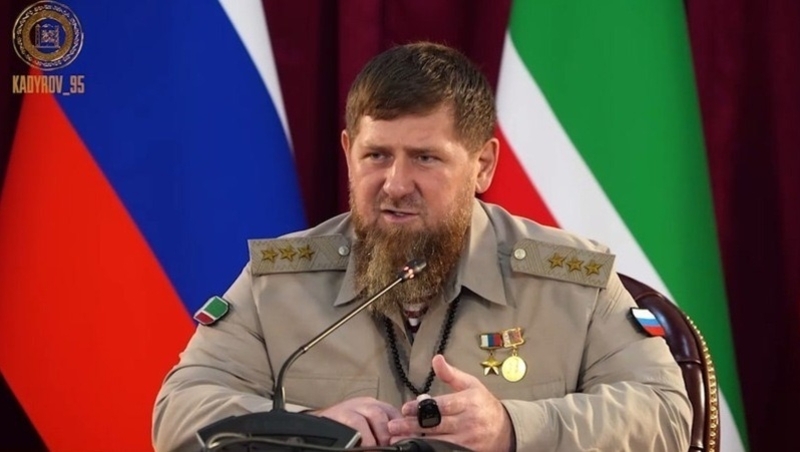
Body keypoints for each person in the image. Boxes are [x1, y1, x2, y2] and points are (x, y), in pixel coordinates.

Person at [152, 42, 692, 452]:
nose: (395, 184)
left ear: (482, 166)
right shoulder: (278, 282)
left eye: (425, 158)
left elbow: (666, 414)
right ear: (348, 152)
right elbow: (179, 410)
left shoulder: (570, 282)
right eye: (377, 156)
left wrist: (512, 427)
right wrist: (308, 427)